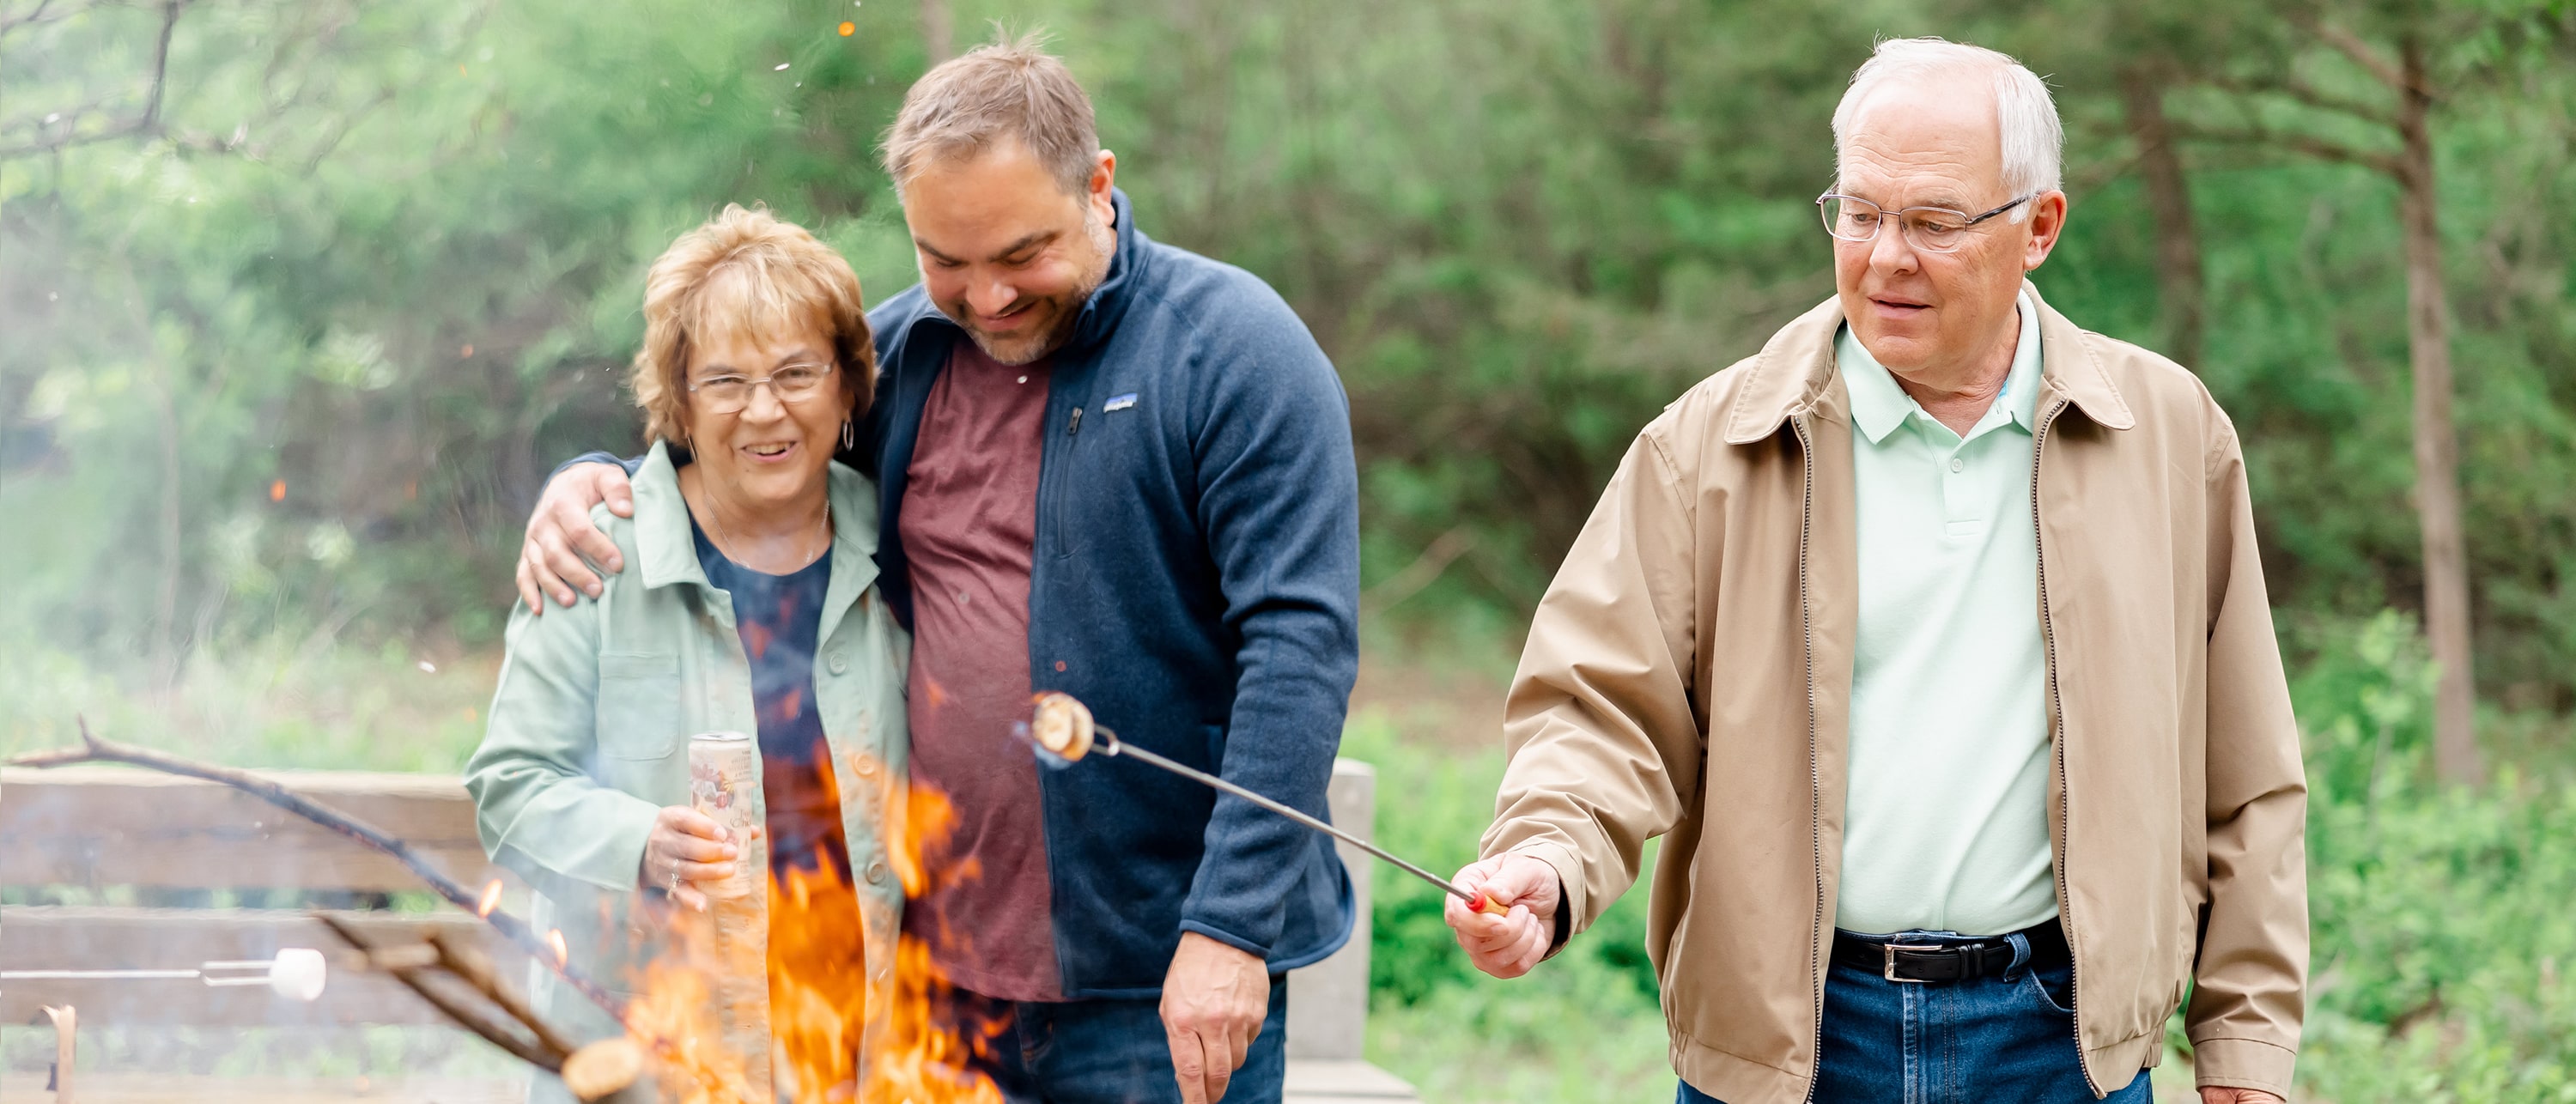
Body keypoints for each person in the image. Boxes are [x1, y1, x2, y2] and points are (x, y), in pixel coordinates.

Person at [1444, 39, 2306, 1104]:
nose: (1885, 255)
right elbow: (1596, 707)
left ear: (2040, 227)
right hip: (1791, 1048)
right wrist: (1547, 855)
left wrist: (2247, 1047)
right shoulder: (1708, 445)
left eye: (1935, 221)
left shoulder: (2170, 436)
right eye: (1859, 212)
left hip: (2063, 1045)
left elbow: (2248, 773)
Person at [510, 36, 1359, 1104]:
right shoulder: (902, 354)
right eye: (944, 259)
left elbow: (1300, 651)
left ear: (1098, 185)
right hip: (934, 986)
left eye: (1020, 253)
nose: (987, 297)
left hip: (1162, 981)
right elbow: (744, 446)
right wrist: (593, 477)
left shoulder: (1236, 353)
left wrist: (1230, 928)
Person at [465, 205, 911, 1101]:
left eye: (796, 373)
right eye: (724, 381)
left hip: (853, 1060)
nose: (764, 410)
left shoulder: (905, 542)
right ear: (678, 396)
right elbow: (509, 787)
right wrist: (639, 844)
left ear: (846, 384)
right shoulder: (596, 552)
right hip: (644, 1064)